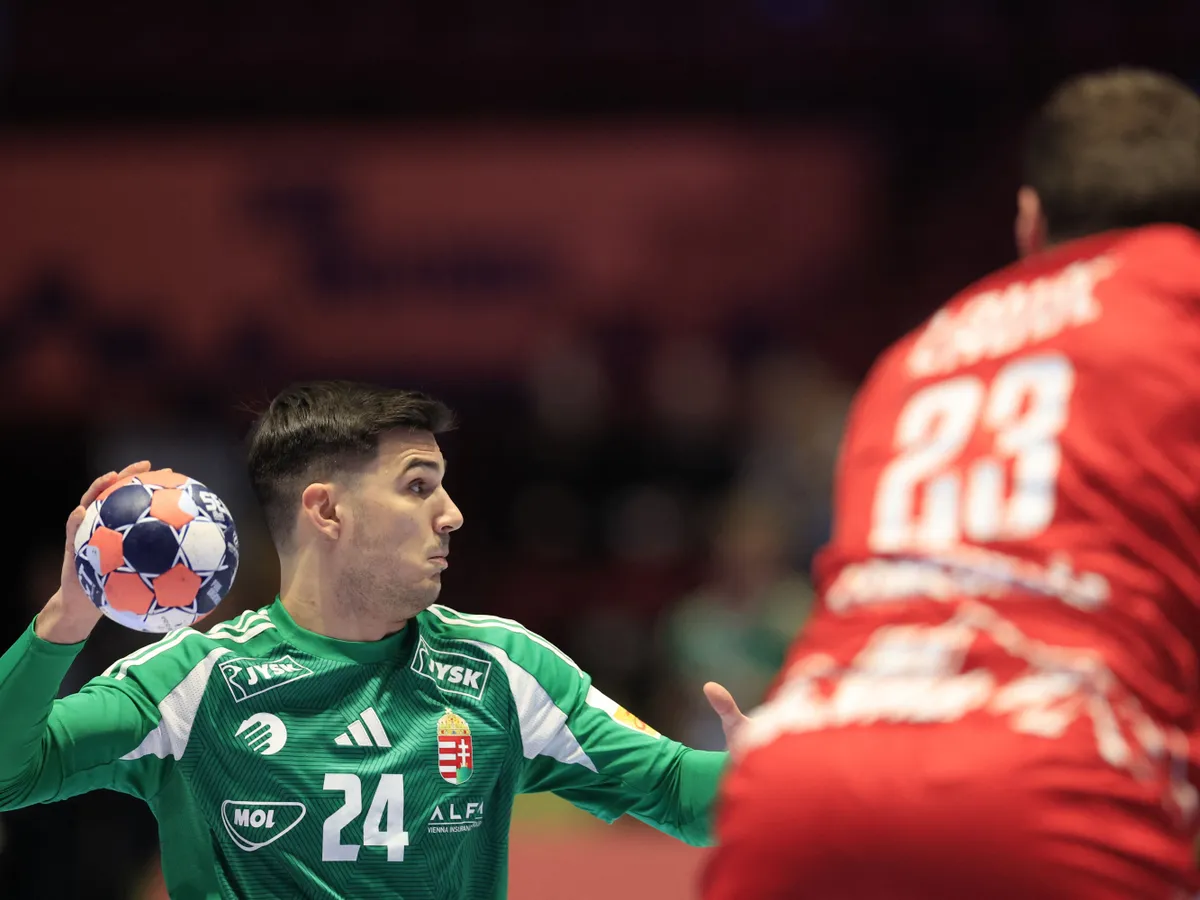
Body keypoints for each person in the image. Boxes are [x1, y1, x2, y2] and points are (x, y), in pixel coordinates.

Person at [704, 68, 1200, 900]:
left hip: (796, 777)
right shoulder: (1183, 301)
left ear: (1030, 221)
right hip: (1059, 775)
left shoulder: (914, 358)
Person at [0, 380, 748, 899]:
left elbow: (680, 793)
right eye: (419, 486)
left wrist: (771, 776)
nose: (452, 514)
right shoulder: (190, 683)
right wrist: (63, 621)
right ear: (326, 511)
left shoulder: (503, 671)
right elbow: (11, 771)